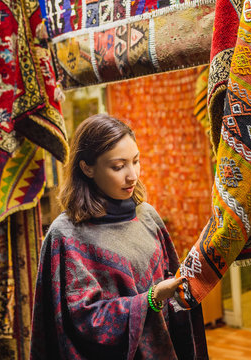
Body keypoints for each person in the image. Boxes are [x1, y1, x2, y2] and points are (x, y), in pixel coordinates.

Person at [29, 114, 208, 360]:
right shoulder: (66, 235)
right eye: (118, 166)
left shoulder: (147, 215)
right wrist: (152, 298)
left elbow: (171, 284)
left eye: (136, 161)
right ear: (87, 167)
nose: (132, 175)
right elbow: (84, 321)